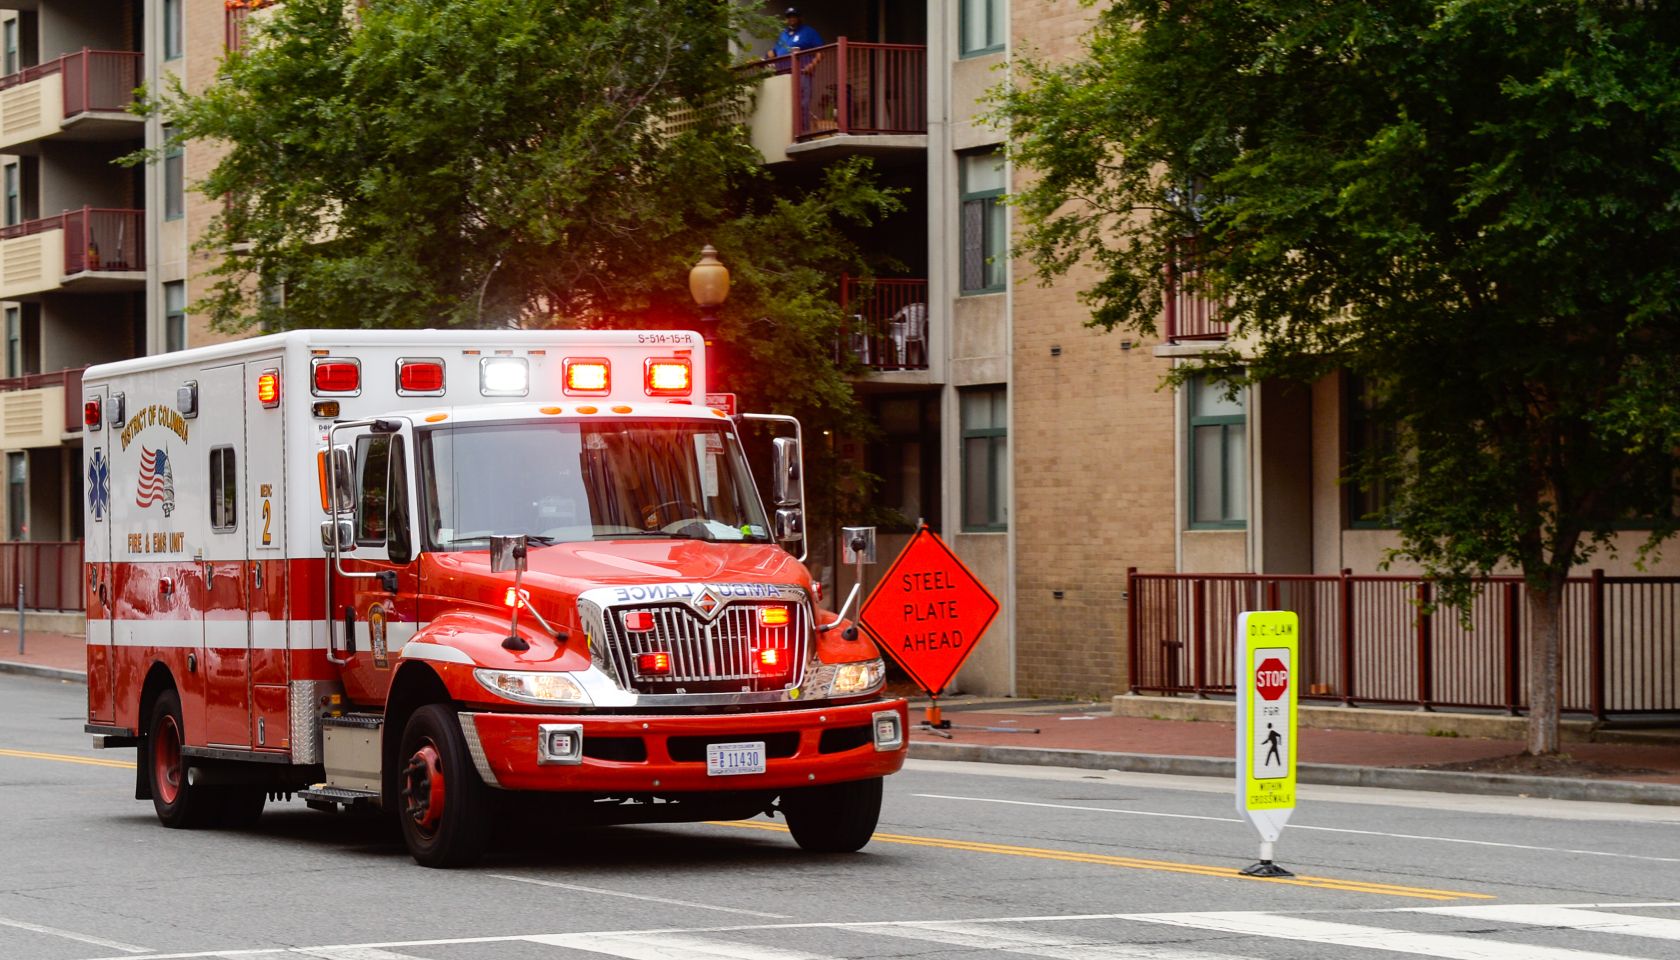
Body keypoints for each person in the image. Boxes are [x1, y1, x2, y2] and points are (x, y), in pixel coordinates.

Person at [769, 7, 824, 127]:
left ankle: (803, 133)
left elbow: (820, 52)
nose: (791, 19)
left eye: (794, 16)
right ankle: (787, 131)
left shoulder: (808, 32)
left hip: (802, 72)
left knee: (802, 103)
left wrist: (812, 65)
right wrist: (763, 60)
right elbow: (774, 52)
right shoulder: (783, 34)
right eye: (789, 17)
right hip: (783, 74)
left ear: (800, 18)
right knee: (784, 103)